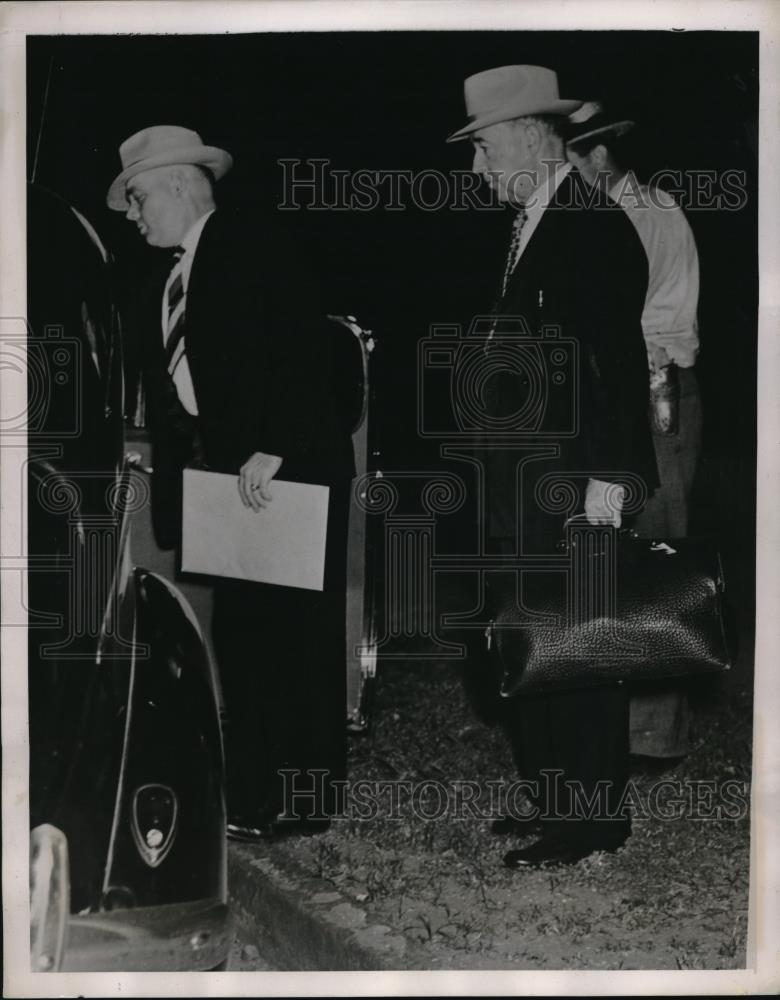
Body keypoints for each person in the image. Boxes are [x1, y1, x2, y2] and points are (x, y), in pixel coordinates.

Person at [107, 125, 355, 842]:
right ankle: (249, 798)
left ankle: (307, 803)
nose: (132, 212)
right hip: (224, 487)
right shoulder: (163, 276)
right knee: (244, 642)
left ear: (182, 183)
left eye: (138, 195)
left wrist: (275, 447)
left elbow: (311, 353)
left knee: (298, 642)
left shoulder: (255, 242)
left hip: (286, 473)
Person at [447, 66, 658, 867]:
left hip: (571, 480)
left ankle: (593, 818)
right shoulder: (529, 224)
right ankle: (551, 796)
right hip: (515, 484)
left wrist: (609, 483)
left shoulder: (592, 226)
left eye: (486, 147)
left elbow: (614, 363)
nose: (477, 169)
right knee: (531, 633)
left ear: (535, 137)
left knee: (581, 640)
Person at [566, 102, 702, 760]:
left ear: (597, 156)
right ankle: (619, 716)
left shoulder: (643, 210)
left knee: (658, 551)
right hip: (629, 390)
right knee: (620, 555)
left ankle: (654, 734)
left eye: (571, 158)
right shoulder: (602, 216)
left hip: (657, 388)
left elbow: (632, 323)